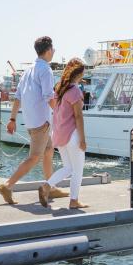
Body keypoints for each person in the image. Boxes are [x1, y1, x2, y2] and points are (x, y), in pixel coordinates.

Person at [0, 36, 68, 204]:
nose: (54, 52)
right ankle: (7, 185)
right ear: (49, 50)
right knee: (35, 157)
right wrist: (62, 114)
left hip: (31, 121)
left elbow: (18, 97)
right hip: (41, 122)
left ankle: (50, 187)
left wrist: (13, 118)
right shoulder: (46, 70)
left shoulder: (28, 70)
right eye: (53, 49)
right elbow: (49, 96)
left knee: (49, 151)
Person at [39, 58, 88, 209]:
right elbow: (78, 116)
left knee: (68, 168)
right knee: (77, 170)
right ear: (79, 74)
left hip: (59, 135)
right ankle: (74, 201)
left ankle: (47, 186)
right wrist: (83, 139)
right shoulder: (75, 91)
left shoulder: (59, 88)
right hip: (72, 134)